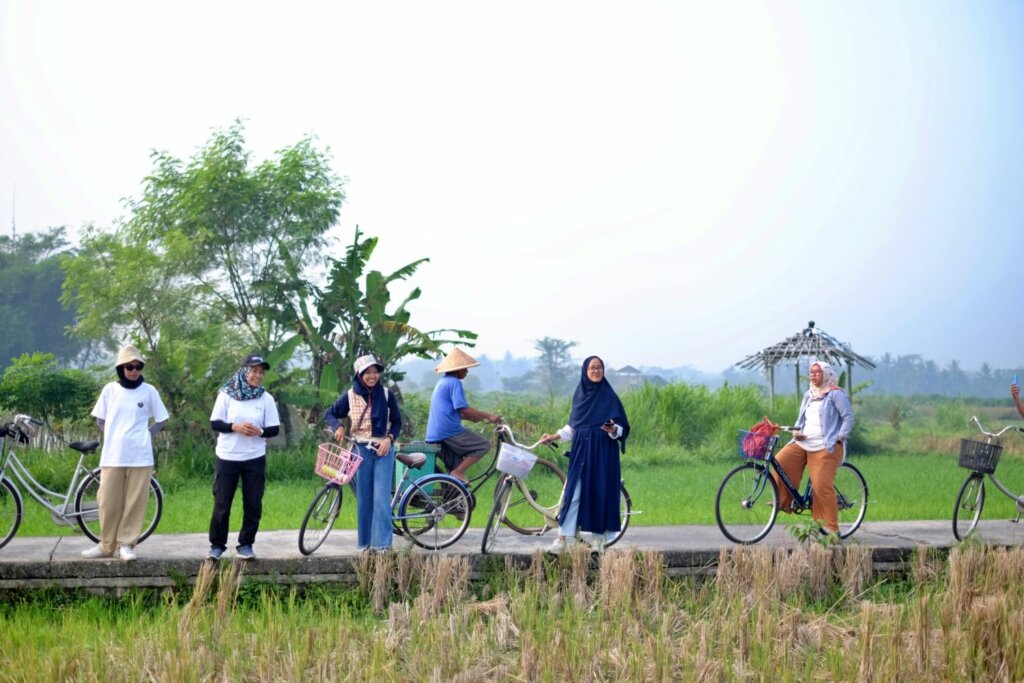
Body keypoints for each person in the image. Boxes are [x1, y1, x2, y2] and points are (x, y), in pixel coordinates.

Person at [82, 345, 170, 561]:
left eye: (138, 366)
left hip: (140, 455)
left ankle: (127, 544)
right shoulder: (110, 390)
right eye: (129, 366)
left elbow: (162, 418)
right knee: (107, 500)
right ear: (120, 368)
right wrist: (113, 434)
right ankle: (106, 545)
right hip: (113, 455)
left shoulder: (149, 391)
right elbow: (100, 418)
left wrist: (147, 435)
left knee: (135, 502)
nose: (134, 370)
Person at [540, 355, 630, 553]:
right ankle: (562, 539)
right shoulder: (580, 396)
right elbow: (573, 427)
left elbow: (622, 427)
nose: (596, 371)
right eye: (592, 368)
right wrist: (553, 436)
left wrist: (614, 429)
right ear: (585, 372)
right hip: (581, 453)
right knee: (573, 494)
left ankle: (599, 542)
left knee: (601, 494)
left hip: (604, 453)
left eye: (599, 367)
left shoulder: (610, 397)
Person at [324, 355, 402, 552]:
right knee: (364, 497)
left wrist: (389, 439)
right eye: (367, 372)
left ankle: (382, 545)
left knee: (381, 497)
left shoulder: (386, 394)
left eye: (375, 372)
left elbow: (398, 422)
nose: (372, 376)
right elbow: (330, 413)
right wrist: (338, 427)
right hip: (360, 449)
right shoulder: (350, 396)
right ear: (359, 374)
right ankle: (365, 544)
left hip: (383, 449)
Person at [206, 353, 280, 561]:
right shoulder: (226, 395)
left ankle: (246, 544)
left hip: (254, 457)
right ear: (243, 371)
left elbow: (274, 429)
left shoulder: (266, 398)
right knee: (222, 502)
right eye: (254, 371)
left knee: (253, 502)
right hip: (228, 456)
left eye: (261, 372)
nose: (257, 375)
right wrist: (235, 427)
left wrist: (260, 432)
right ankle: (217, 546)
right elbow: (215, 423)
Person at [772, 360, 854, 535]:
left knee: (821, 486)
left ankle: (832, 529)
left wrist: (840, 437)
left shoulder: (835, 394)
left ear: (826, 374)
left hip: (826, 444)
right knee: (780, 462)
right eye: (811, 372)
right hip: (804, 441)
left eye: (817, 372)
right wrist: (797, 432)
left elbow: (848, 418)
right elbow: (801, 420)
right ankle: (784, 501)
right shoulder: (809, 394)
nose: (813, 375)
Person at [425, 348, 502, 483]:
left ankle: (453, 494)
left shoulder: (442, 382)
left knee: (456, 477)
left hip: (435, 434)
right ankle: (459, 471)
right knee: (483, 445)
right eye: (464, 368)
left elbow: (450, 412)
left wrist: (470, 418)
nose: (467, 371)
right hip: (448, 431)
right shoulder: (455, 382)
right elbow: (463, 409)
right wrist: (489, 416)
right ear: (457, 370)